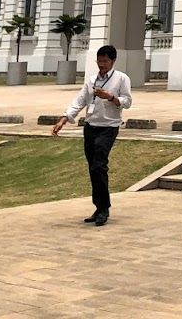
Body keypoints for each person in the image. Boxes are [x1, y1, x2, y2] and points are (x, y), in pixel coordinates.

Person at [50, 44, 132, 227]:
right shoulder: (91, 79)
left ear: (113, 61)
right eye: (99, 61)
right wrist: (64, 119)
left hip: (109, 126)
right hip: (90, 126)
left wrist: (110, 97)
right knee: (93, 167)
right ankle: (99, 206)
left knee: (99, 165)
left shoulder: (121, 79)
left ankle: (104, 209)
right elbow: (80, 100)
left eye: (105, 61)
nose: (101, 65)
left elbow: (127, 101)